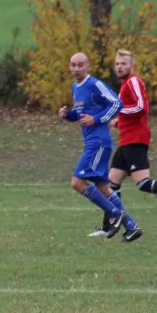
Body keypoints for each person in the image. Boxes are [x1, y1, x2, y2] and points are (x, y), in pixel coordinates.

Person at [89, 49, 157, 237]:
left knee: (142, 183)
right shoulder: (125, 84)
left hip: (136, 139)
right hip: (126, 140)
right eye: (117, 64)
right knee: (111, 184)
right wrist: (119, 120)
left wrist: (120, 112)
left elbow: (141, 107)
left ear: (131, 66)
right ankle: (108, 227)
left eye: (123, 63)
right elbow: (130, 110)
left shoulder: (133, 81)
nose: (119, 67)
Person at [58, 52, 143, 242]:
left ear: (88, 66)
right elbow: (81, 115)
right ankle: (131, 226)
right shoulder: (76, 87)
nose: (76, 69)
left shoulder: (94, 84)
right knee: (103, 186)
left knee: (77, 183)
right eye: (73, 65)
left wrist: (97, 119)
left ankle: (115, 213)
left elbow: (117, 103)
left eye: (80, 65)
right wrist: (67, 115)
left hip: (98, 143)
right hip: (94, 143)